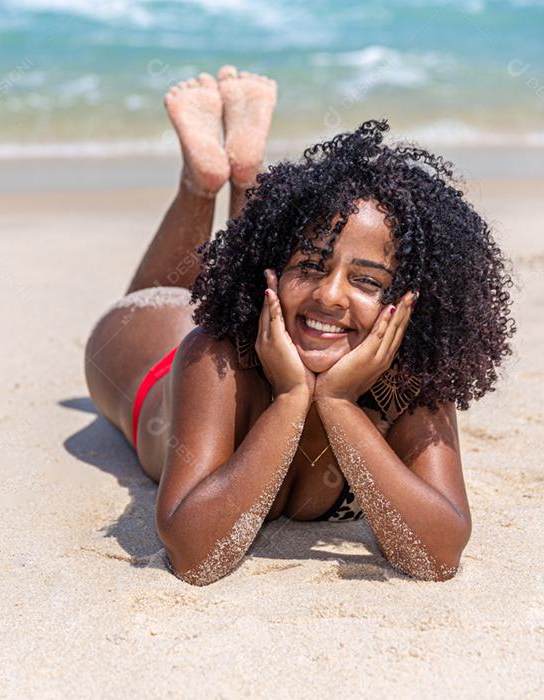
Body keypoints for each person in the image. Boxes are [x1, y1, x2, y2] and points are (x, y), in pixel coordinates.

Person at [83, 66, 514, 586]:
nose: (330, 295)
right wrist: (289, 399)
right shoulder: (215, 357)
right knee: (175, 294)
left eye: (367, 281)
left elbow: (438, 556)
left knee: (290, 302)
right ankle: (204, 183)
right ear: (273, 270)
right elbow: (195, 557)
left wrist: (338, 404)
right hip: (148, 351)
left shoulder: (411, 381)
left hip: (266, 331)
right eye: (309, 266)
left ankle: (242, 175)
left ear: (405, 303)